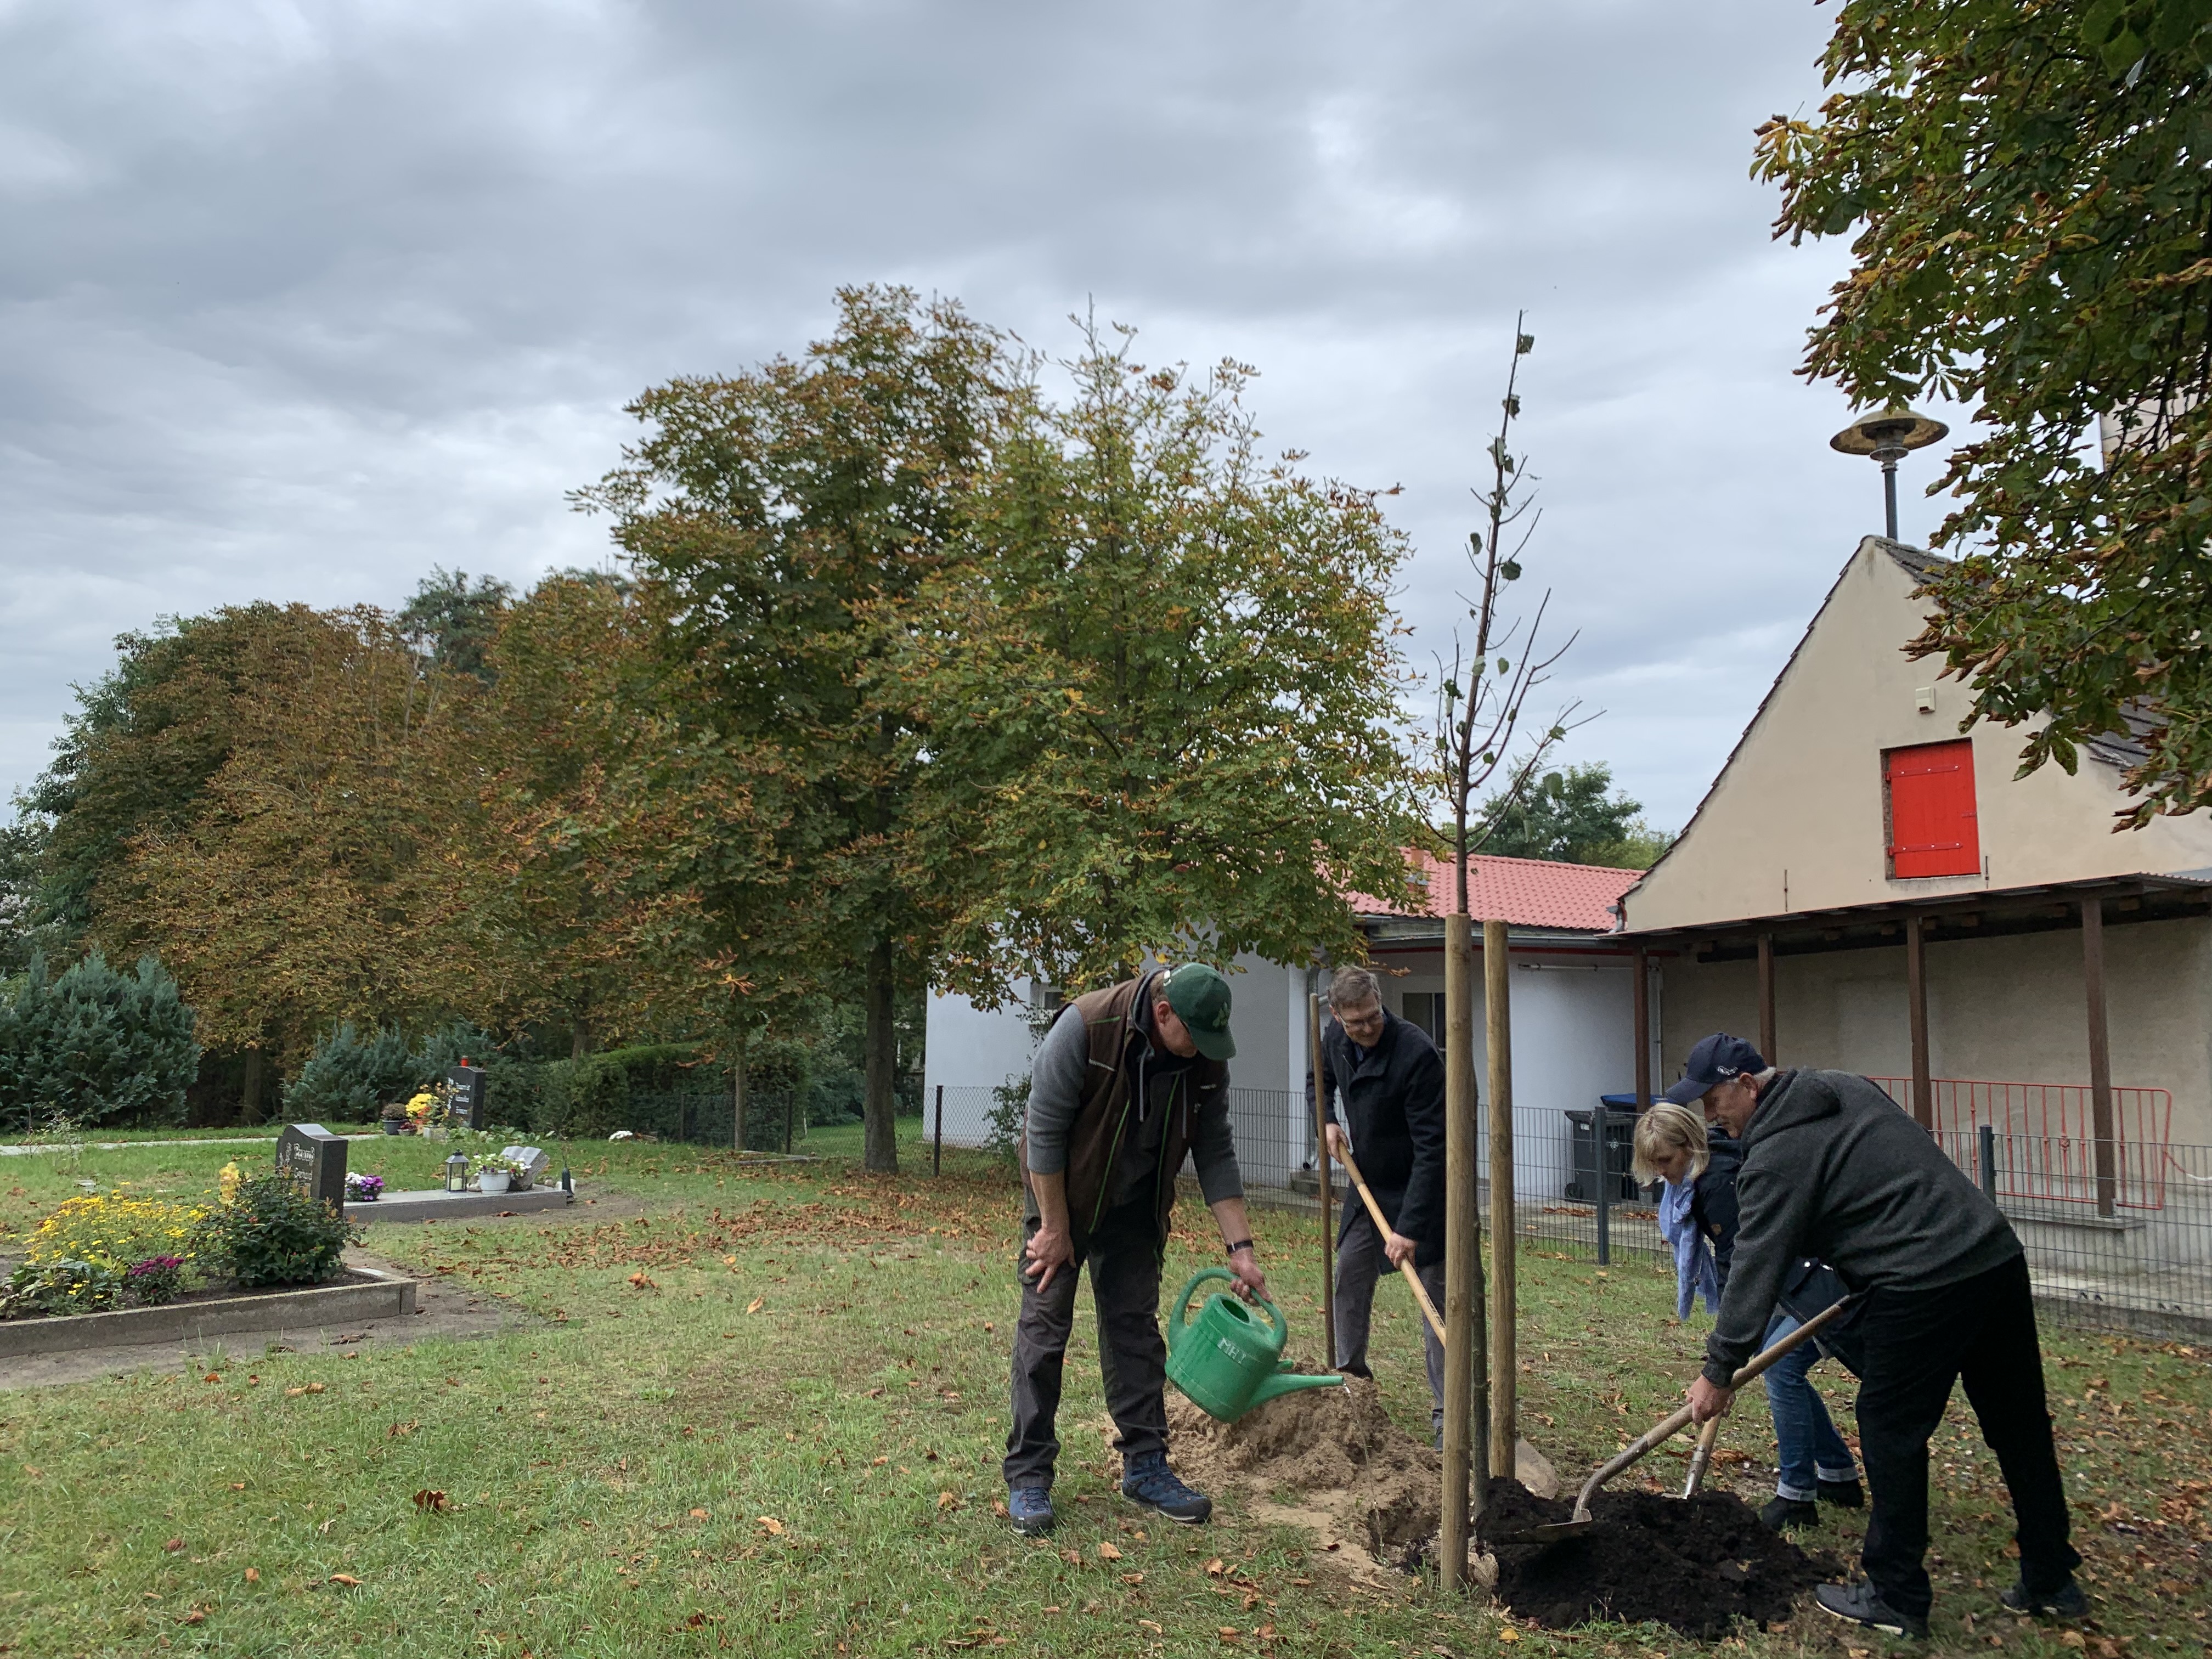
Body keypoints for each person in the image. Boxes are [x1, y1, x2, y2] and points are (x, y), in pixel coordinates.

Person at [1677, 1032, 2082, 1640]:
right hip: (1992, 1255)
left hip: (1921, 1280)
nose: (1711, 1117)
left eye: (1714, 1100)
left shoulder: (1776, 1156)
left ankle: (1896, 1595)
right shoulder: (1843, 1085)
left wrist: (1718, 1370)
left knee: (1890, 1428)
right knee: (2018, 1425)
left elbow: (1756, 1264)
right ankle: (2052, 1580)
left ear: (1748, 1085)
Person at [1003, 962, 1268, 1538]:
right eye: (1195, 1037)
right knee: (1045, 1330)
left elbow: (1216, 1150)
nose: (1204, 1050)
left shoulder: (1205, 1056)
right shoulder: (1086, 1027)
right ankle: (1028, 1475)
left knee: (1135, 1334)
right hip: (1063, 1198)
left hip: (1136, 1207)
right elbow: (1043, 1131)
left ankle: (1146, 1468)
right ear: (1164, 1013)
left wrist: (1241, 1248)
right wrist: (1054, 1228)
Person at [1635, 1100, 1865, 1531]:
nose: (1662, 1172)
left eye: (1666, 1160)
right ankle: (1838, 1476)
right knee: (1774, 1363)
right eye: (1654, 1164)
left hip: (1832, 1277)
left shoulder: (1719, 1183)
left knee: (1780, 1369)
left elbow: (1742, 1263)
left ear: (1689, 1146)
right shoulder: (1701, 1179)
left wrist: (1725, 1356)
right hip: (1801, 1280)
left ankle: (1796, 1498)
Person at [1307, 966, 1447, 1437]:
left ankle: (1447, 1416)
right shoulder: (1335, 1037)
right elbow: (1318, 1080)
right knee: (1350, 1272)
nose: (1367, 1028)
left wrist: (1409, 1228)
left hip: (1422, 1192)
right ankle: (1352, 1385)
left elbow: (1433, 1150)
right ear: (1336, 1015)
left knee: (1433, 1300)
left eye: (1373, 1017)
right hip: (1367, 1184)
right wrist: (1327, 1119)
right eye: (1356, 1022)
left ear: (1380, 1002)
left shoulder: (1416, 1054)